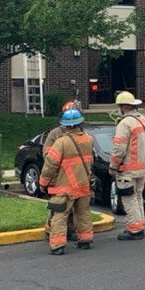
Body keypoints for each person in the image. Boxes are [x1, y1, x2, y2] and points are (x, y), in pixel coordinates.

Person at [38, 108, 94, 255]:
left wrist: (43, 183)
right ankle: (85, 240)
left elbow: (50, 165)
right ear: (79, 123)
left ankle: (57, 245)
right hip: (83, 185)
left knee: (59, 216)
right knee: (83, 213)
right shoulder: (89, 140)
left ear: (65, 125)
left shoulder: (60, 142)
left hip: (65, 187)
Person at [110, 91, 145, 241]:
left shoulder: (125, 123)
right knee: (138, 196)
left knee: (129, 198)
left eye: (120, 105)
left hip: (128, 169)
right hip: (141, 168)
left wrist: (113, 166)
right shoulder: (142, 119)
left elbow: (119, 149)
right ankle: (140, 224)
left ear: (123, 106)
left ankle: (135, 229)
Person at [41, 99, 82, 238]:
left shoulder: (82, 134)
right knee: (58, 206)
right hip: (59, 176)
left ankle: (70, 230)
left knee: (72, 207)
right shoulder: (55, 134)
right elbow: (47, 155)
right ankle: (50, 230)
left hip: (75, 176)